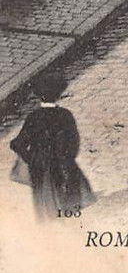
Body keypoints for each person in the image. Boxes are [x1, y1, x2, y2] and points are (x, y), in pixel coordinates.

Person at [10, 70, 94, 220]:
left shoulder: (34, 117)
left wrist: (31, 159)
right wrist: (67, 159)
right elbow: (74, 143)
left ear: (38, 96)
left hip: (40, 167)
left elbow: (17, 144)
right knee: (68, 202)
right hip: (63, 165)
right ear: (59, 94)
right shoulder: (65, 115)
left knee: (45, 206)